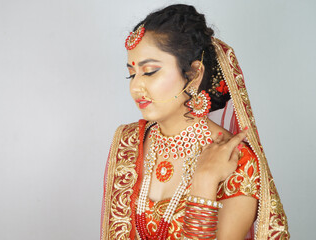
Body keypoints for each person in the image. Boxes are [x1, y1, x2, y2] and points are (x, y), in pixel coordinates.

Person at [101, 4, 289, 240]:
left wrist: (205, 181)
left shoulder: (237, 161)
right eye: (132, 73)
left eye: (149, 72)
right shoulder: (128, 142)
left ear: (193, 74)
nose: (135, 87)